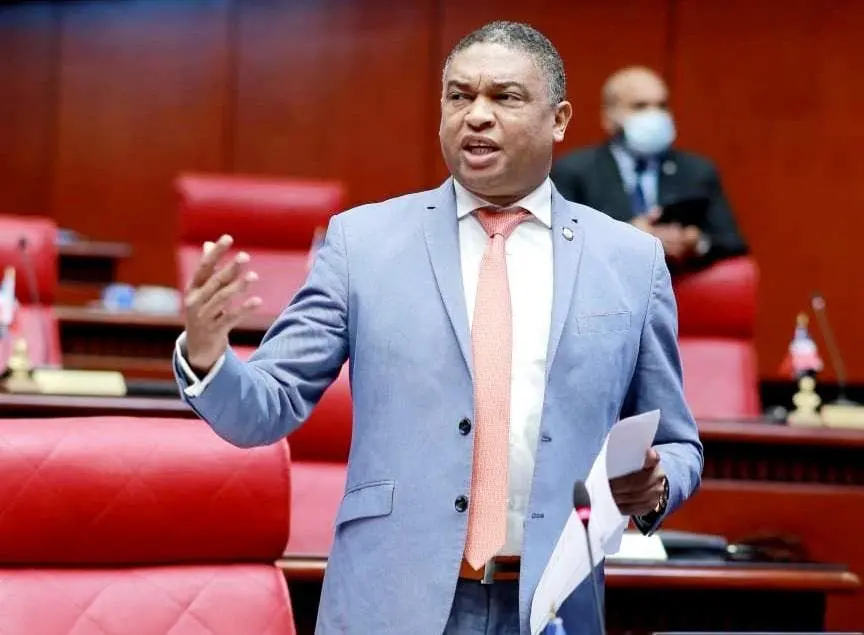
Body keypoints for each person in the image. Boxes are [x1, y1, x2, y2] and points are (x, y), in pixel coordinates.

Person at [173, 21, 702, 635]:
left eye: (504, 97)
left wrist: (657, 484)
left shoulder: (630, 261)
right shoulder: (362, 243)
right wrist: (208, 356)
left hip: (554, 604)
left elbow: (679, 443)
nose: (476, 115)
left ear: (559, 120)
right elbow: (265, 408)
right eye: (459, 96)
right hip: (390, 601)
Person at [551, 66, 748, 272]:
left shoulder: (697, 171)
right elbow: (559, 240)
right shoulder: (575, 171)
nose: (654, 115)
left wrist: (696, 243)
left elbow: (733, 243)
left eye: (662, 105)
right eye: (640, 106)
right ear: (609, 117)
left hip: (675, 283)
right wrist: (627, 236)